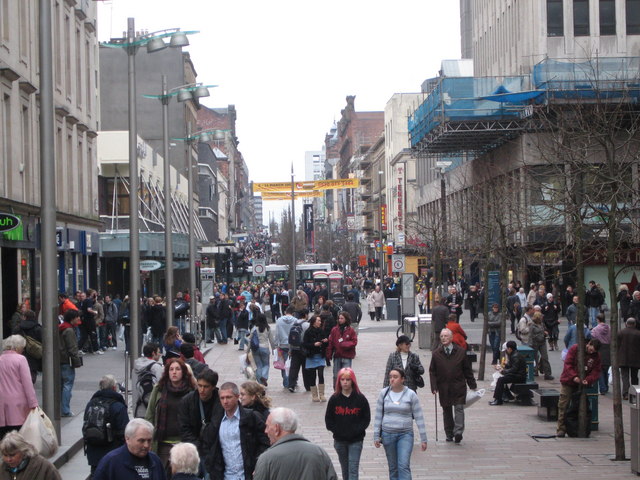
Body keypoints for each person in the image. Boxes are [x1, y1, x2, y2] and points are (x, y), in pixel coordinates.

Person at [201, 382, 270, 480]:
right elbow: (208, 444)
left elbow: (266, 442)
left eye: (228, 397)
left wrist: (257, 463)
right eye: (222, 398)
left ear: (237, 397)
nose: (225, 401)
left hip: (248, 475)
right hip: (225, 475)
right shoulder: (217, 421)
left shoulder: (251, 417)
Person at [254, 407, 337, 480]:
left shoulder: (266, 459)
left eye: (268, 426)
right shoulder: (319, 452)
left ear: (276, 428)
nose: (266, 431)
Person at [374, 368, 427, 480]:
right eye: (390, 377)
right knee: (393, 468)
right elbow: (378, 415)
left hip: (405, 434)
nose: (392, 379)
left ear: (403, 379)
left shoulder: (411, 394)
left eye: (395, 377)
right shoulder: (384, 393)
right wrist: (376, 436)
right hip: (387, 434)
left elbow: (419, 416)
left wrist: (424, 438)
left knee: (403, 465)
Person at [145, 358, 196, 469]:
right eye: (171, 369)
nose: (174, 372)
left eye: (177, 369)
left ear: (183, 372)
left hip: (184, 443)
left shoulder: (191, 391)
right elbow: (150, 414)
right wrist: (149, 437)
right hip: (162, 444)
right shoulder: (159, 389)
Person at [429, 329, 477, 443]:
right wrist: (434, 386)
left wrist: (472, 384)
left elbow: (467, 370)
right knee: (447, 410)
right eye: (441, 336)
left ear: (451, 338)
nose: (443, 338)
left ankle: (458, 432)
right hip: (443, 386)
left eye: (446, 336)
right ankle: (449, 433)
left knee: (459, 408)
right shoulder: (436, 354)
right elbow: (432, 371)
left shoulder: (460, 352)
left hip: (458, 385)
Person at [325, 368, 370, 480]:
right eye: (342, 379)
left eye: (348, 380)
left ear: (353, 381)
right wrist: (338, 430)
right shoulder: (334, 399)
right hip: (340, 440)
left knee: (353, 469)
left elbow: (366, 419)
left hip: (356, 440)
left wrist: (356, 430)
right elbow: (328, 420)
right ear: (339, 381)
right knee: (345, 469)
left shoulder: (360, 398)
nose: (345, 382)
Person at [84, 374, 130, 475]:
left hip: (93, 454)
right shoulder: (118, 406)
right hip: (113, 453)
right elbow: (125, 432)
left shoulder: (91, 404)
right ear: (114, 388)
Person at [93, 418, 166, 480]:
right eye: (141, 441)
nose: (146, 445)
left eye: (149, 440)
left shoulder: (155, 460)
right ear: (127, 439)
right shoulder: (110, 462)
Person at [556, 339, 602, 438]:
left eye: (593, 351)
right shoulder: (575, 349)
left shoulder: (596, 356)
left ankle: (578, 427)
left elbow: (596, 371)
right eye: (590, 350)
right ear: (588, 344)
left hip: (582, 383)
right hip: (568, 381)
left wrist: (588, 380)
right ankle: (561, 428)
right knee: (564, 404)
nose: (591, 352)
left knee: (581, 405)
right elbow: (568, 364)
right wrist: (574, 376)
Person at [179, 368, 221, 463]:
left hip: (213, 450)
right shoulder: (187, 401)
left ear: (213, 387)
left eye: (206, 387)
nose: (202, 390)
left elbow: (216, 426)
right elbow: (184, 428)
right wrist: (197, 446)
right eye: (200, 386)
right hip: (193, 450)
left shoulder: (220, 402)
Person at [0, 335, 38, 440]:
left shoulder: (0, 359)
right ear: (18, 347)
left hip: (2, 401)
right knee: (18, 433)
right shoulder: (21, 359)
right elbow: (27, 384)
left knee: (3, 433)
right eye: (22, 347)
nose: (23, 349)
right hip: (18, 403)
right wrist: (33, 403)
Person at [59, 309, 82, 417]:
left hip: (61, 360)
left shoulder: (62, 328)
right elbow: (72, 348)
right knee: (67, 385)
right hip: (67, 361)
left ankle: (62, 407)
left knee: (62, 385)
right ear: (72, 318)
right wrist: (77, 361)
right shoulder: (69, 330)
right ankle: (65, 410)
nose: (79, 319)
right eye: (77, 317)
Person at [488, 340, 527, 405]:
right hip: (518, 374)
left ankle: (498, 399)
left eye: (507, 349)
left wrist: (504, 371)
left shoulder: (515, 356)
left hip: (519, 376)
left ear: (510, 349)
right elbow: (513, 366)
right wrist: (505, 366)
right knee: (501, 379)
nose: (506, 351)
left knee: (500, 380)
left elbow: (514, 369)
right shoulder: (514, 354)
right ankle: (507, 396)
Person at [327, 311, 358, 389]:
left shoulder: (351, 330)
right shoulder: (334, 330)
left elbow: (354, 342)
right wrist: (329, 354)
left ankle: (347, 390)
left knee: (347, 375)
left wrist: (344, 344)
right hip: (337, 355)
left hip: (347, 356)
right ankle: (336, 391)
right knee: (336, 376)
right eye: (339, 318)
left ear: (346, 319)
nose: (340, 320)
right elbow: (331, 342)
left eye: (342, 318)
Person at [133, 343, 164, 418]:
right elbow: (161, 386)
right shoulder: (156, 367)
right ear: (153, 353)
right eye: (159, 352)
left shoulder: (136, 366)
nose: (160, 354)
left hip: (138, 407)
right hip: (151, 408)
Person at [302, 314, 329, 402]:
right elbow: (304, 344)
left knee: (321, 374)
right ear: (313, 322)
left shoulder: (321, 331)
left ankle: (321, 394)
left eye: (320, 321)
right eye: (318, 321)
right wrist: (313, 344)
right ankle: (314, 395)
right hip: (311, 356)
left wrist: (325, 341)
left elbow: (326, 342)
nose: (320, 322)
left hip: (320, 356)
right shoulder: (308, 332)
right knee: (312, 376)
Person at [12, 309, 42, 384]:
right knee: (32, 372)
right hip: (34, 354)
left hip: (20, 352)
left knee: (21, 371)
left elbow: (13, 341)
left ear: (24, 317)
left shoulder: (18, 328)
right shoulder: (38, 328)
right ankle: (30, 384)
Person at [249, 313, 275, 387]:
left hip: (255, 349)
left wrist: (247, 351)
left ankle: (260, 382)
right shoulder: (268, 328)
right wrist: (273, 349)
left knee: (258, 365)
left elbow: (250, 340)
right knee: (266, 365)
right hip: (265, 348)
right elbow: (271, 340)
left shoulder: (254, 328)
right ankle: (264, 376)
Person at [618, 318, 640, 400]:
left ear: (626, 324)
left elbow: (617, 346)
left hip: (623, 358)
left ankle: (626, 393)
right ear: (634, 324)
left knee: (625, 377)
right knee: (634, 377)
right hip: (635, 359)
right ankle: (635, 393)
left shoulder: (621, 332)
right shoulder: (638, 333)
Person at [275, 306, 297, 388]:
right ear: (293, 313)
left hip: (282, 345)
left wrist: (276, 344)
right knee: (292, 364)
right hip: (293, 345)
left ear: (285, 312)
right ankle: (292, 381)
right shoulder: (295, 320)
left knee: (283, 364)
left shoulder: (279, 320)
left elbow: (277, 333)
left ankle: (286, 381)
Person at [528, 312, 553, 379]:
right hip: (535, 343)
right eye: (541, 316)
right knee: (535, 358)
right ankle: (534, 372)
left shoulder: (542, 324)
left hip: (542, 342)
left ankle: (547, 374)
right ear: (538, 317)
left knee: (545, 357)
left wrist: (545, 333)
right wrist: (530, 345)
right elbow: (530, 336)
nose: (542, 317)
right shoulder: (532, 325)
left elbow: (544, 330)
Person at [591, 314, 611, 394]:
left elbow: (592, 337)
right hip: (608, 349)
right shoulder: (609, 328)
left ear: (598, 320)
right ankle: (606, 386)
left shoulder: (595, 329)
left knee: (600, 370)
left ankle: (602, 388)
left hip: (600, 349)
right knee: (606, 369)